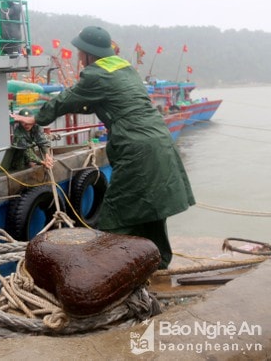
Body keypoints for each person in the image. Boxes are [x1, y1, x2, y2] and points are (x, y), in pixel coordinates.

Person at [12, 26, 195, 269]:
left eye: (80, 54)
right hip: (160, 140)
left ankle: (104, 273)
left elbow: (68, 98)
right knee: (152, 208)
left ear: (88, 54)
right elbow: (90, 102)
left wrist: (36, 118)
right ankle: (158, 262)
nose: (78, 59)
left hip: (135, 147)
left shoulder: (95, 74)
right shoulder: (124, 68)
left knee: (114, 213)